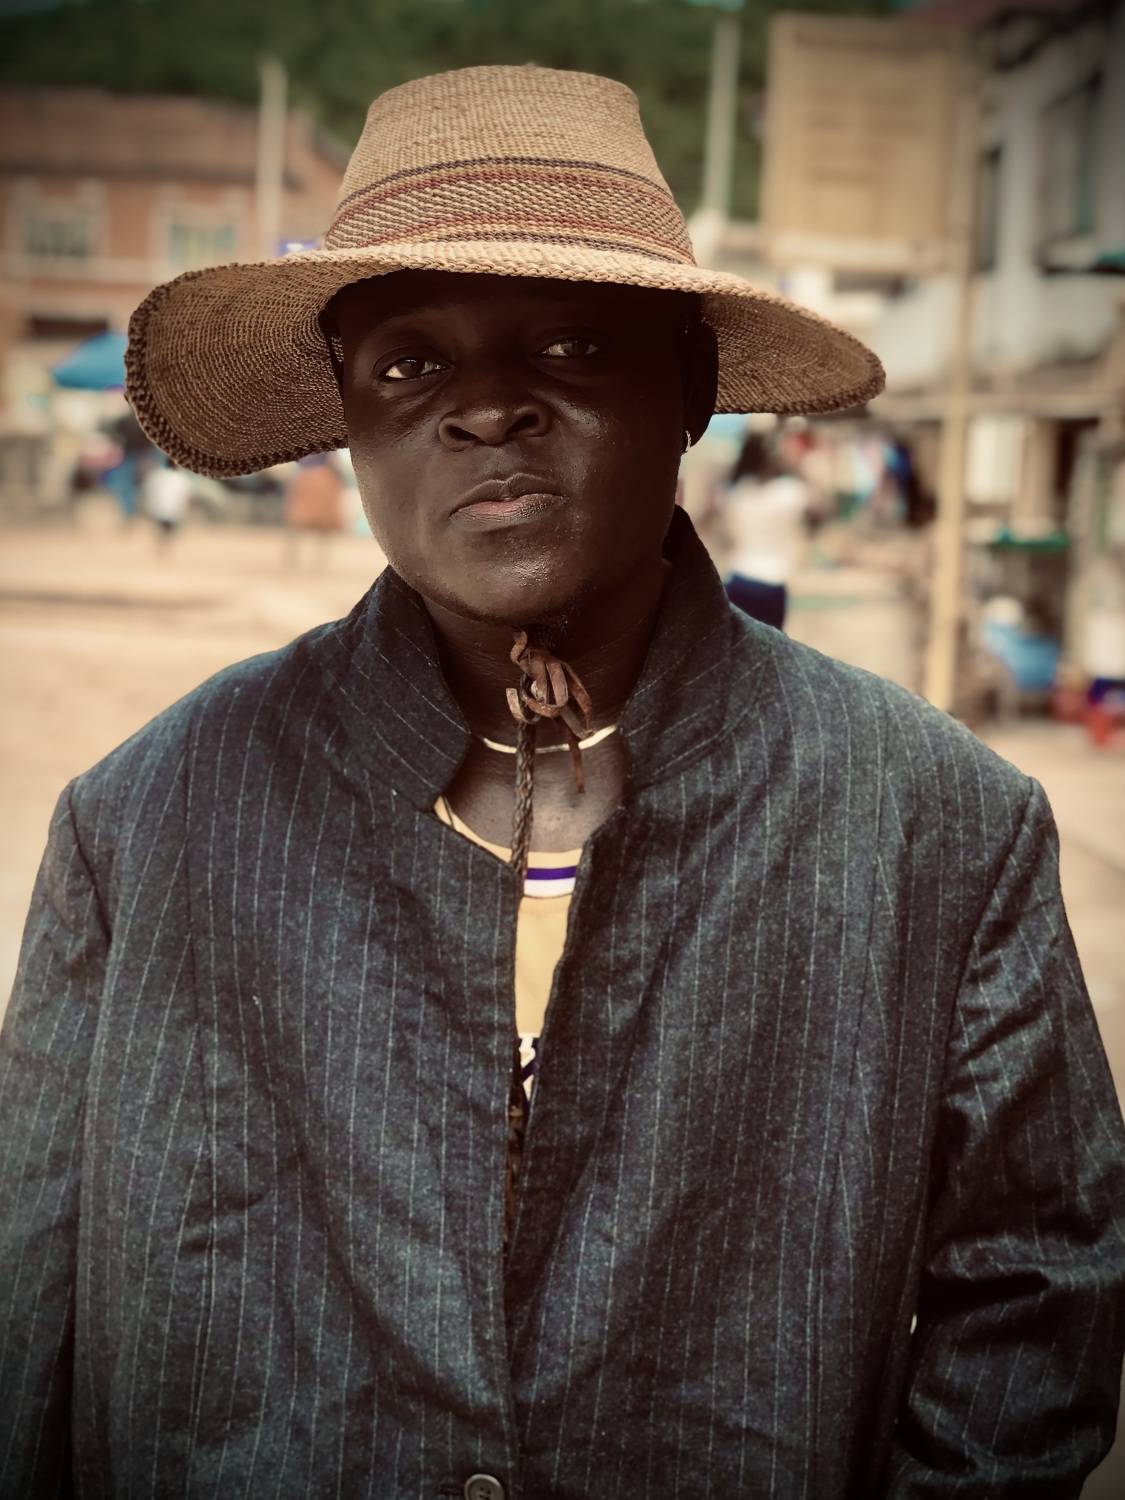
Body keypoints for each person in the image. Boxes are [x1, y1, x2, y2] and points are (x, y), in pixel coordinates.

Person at [1, 65, 1122, 1500]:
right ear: (347, 419)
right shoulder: (146, 821)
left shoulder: (937, 825)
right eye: (407, 366)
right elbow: (30, 1312)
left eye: (573, 346)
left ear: (690, 390)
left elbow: (1038, 1286)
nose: (486, 412)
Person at [721, 428, 812, 629]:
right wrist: (794, 464)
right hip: (773, 581)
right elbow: (821, 508)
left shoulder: (736, 492)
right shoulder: (789, 492)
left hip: (738, 576)